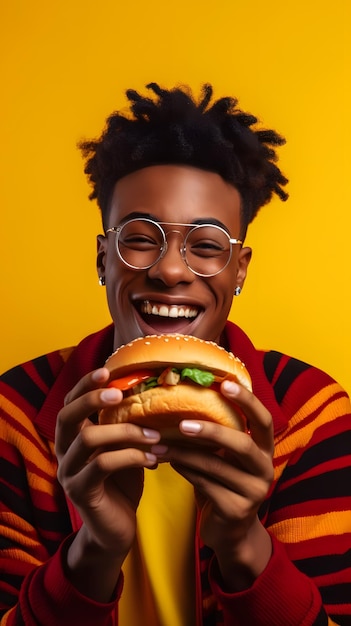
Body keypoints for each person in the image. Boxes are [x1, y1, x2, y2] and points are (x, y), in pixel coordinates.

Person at [0, 82, 350, 626]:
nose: (169, 270)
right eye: (141, 238)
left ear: (240, 271)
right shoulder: (15, 413)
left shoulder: (310, 412)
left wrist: (242, 545)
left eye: (207, 245)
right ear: (103, 258)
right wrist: (94, 550)